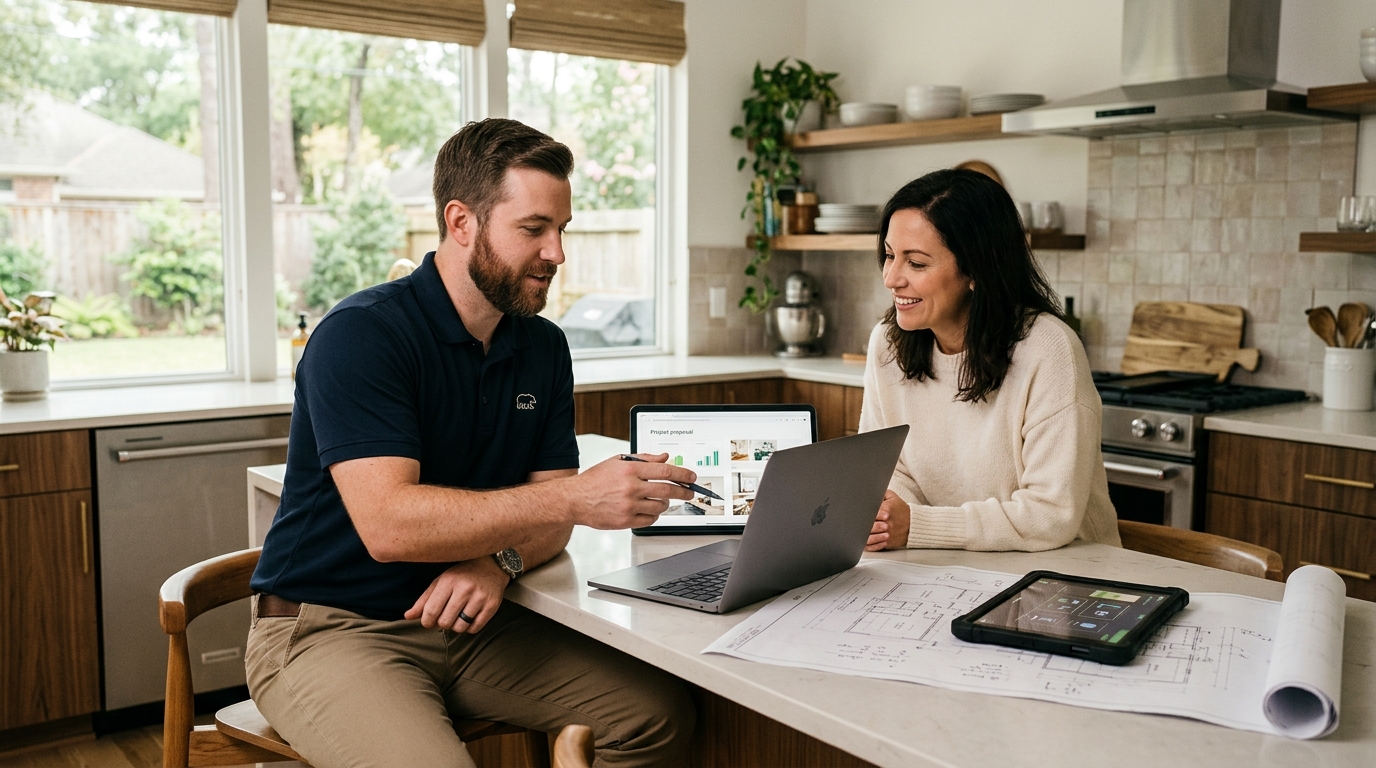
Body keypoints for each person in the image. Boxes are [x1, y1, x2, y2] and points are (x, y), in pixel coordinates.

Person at [246, 118, 697, 768]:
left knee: (655, 716)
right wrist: (572, 497)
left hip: (467, 619)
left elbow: (549, 520)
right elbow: (390, 526)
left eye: (561, 230)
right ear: (462, 223)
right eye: (534, 229)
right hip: (331, 627)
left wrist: (498, 564)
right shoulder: (363, 335)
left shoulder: (542, 346)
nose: (557, 253)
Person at [861, 168, 1120, 553]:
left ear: (975, 270)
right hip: (946, 567)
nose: (891, 278)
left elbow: (1050, 515)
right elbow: (888, 473)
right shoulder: (888, 344)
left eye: (915, 263)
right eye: (889, 255)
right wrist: (888, 520)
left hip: (1067, 571)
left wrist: (917, 526)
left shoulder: (1049, 350)